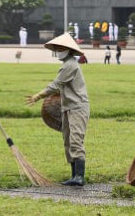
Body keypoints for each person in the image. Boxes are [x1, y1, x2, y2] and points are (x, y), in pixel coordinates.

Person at [25, 33, 90, 186]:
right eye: (57, 48)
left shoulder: (70, 65)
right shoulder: (67, 64)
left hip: (78, 107)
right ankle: (74, 175)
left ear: (68, 50)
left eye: (61, 48)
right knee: (68, 140)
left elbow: (56, 84)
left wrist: (38, 96)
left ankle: (79, 176)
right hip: (68, 107)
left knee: (75, 140)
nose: (58, 50)